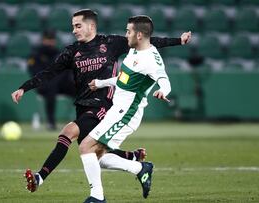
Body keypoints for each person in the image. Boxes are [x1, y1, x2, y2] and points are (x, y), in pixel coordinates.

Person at [11, 9, 191, 193]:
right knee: (96, 154)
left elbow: (147, 41)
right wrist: (24, 87)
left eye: (78, 26)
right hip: (82, 105)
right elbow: (49, 72)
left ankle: (43, 178)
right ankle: (134, 160)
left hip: (104, 105)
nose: (74, 30)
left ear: (91, 26)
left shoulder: (111, 43)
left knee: (69, 133)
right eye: (73, 26)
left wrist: (178, 41)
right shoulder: (72, 51)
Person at [79, 15, 170, 202]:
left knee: (86, 146)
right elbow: (123, 79)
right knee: (97, 156)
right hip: (117, 110)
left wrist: (163, 90)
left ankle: (97, 197)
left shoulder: (151, 59)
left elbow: (164, 79)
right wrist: (102, 83)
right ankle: (140, 168)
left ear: (139, 35)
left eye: (128, 31)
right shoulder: (134, 51)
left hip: (127, 114)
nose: (125, 34)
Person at [27, 29, 76, 130]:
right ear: (43, 40)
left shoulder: (58, 53)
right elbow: (34, 72)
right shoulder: (36, 54)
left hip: (60, 84)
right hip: (43, 85)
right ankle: (51, 121)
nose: (50, 42)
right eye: (48, 40)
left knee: (79, 89)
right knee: (51, 87)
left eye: (52, 40)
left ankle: (83, 120)